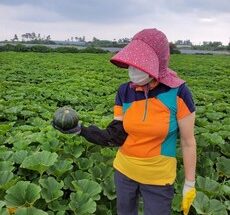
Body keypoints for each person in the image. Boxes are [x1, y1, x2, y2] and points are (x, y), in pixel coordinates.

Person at [53, 28, 197, 215]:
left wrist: (189, 183)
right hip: (124, 172)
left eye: (141, 63)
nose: (134, 69)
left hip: (159, 178)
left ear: (158, 63)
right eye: (133, 63)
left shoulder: (178, 93)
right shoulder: (124, 91)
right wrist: (82, 130)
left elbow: (188, 142)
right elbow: (116, 135)